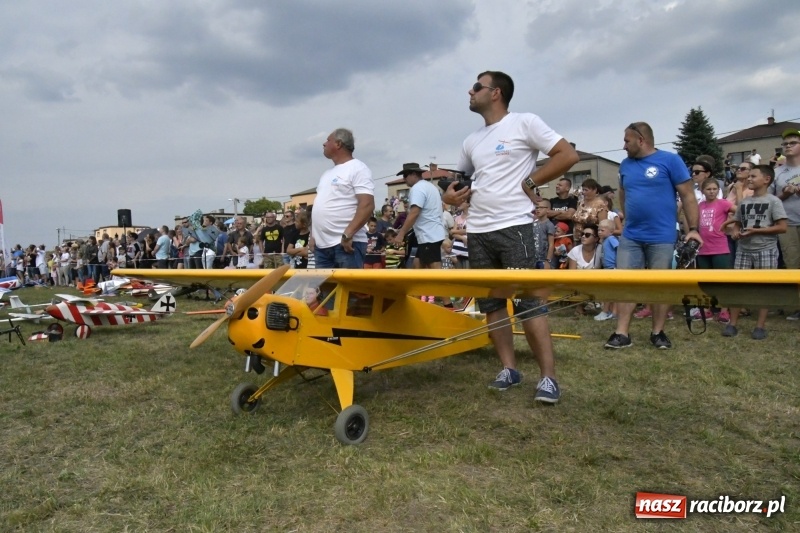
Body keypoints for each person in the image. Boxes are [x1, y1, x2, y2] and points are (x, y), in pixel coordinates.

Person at [443, 70, 579, 404]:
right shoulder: (472, 140)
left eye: (477, 86)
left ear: (496, 93)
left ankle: (548, 378)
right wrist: (449, 196)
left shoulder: (524, 122)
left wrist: (531, 183)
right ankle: (509, 369)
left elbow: (567, 155)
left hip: (516, 227)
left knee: (529, 303)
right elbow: (458, 181)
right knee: (492, 305)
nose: (469, 91)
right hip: (478, 230)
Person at [603, 122, 702, 351]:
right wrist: (628, 217)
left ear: (641, 140)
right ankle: (621, 333)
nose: (623, 145)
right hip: (631, 236)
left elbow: (687, 196)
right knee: (626, 284)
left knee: (660, 285)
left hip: (662, 235)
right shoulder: (626, 165)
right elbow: (623, 192)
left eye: (627, 141)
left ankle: (658, 332)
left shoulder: (670, 160)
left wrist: (693, 229)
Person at [720, 165, 787, 339]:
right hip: (744, 249)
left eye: (753, 176)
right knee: (738, 287)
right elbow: (738, 222)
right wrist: (735, 230)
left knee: (763, 289)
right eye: (748, 176)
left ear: (766, 179)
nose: (749, 179)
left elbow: (782, 227)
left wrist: (757, 231)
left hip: (766, 250)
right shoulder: (745, 202)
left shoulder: (774, 201)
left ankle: (760, 326)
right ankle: (732, 324)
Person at [311, 128, 375, 269]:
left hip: (346, 244)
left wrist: (348, 234)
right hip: (322, 246)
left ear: (338, 144)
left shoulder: (358, 168)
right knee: (327, 291)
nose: (324, 144)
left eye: (328, 140)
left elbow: (367, 204)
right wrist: (313, 236)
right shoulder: (327, 174)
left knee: (349, 290)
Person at [769, 128, 800, 320]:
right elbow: (770, 200)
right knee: (793, 263)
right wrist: (785, 194)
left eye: (793, 143)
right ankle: (797, 306)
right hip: (788, 223)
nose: (788, 147)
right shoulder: (777, 172)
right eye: (785, 144)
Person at [393, 163, 446, 271]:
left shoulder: (417, 188)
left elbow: (414, 213)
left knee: (434, 268)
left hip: (429, 236)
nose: (404, 179)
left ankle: (440, 287)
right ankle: (419, 287)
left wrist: (401, 234)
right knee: (417, 265)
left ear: (413, 174)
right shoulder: (430, 186)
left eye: (405, 175)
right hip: (432, 234)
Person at [594, 219, 619, 321]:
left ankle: (607, 312)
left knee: (610, 291)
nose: (599, 232)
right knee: (610, 291)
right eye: (599, 230)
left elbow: (618, 248)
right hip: (607, 268)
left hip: (612, 268)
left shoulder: (611, 239)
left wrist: (618, 264)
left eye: (602, 230)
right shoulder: (604, 241)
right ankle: (611, 311)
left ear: (611, 231)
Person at [532, 199, 555, 269]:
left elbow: (551, 244)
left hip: (543, 260)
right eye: (536, 207)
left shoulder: (549, 225)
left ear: (547, 209)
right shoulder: (533, 223)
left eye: (541, 208)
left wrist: (548, 261)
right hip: (532, 259)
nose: (538, 210)